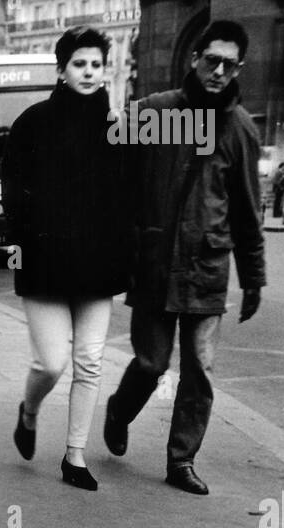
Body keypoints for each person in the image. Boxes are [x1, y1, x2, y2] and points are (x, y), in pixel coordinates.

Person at [103, 20, 266, 496]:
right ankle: (120, 410)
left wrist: (253, 278)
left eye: (229, 64)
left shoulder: (240, 129)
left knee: (199, 369)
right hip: (153, 261)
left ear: (239, 68)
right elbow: (115, 182)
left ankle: (182, 460)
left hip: (206, 268)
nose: (218, 71)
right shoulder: (154, 112)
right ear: (195, 57)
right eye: (211, 60)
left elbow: (248, 210)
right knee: (152, 363)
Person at [1, 27, 131, 491]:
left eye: (96, 64)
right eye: (79, 64)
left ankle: (74, 456)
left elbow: (126, 200)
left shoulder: (117, 130)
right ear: (61, 70)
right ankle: (29, 411)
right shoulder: (32, 123)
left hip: (97, 265)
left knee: (90, 361)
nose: (89, 72)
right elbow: (13, 193)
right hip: (44, 263)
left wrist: (126, 258)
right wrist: (19, 248)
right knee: (51, 363)